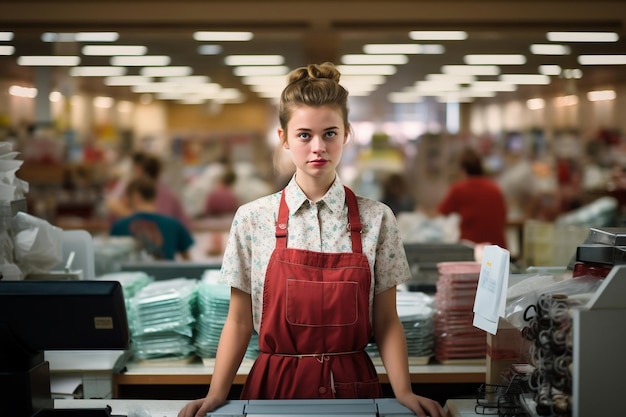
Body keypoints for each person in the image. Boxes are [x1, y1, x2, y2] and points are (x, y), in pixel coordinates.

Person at [178, 63, 445, 417]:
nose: (318, 147)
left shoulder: (377, 218)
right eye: (304, 135)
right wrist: (215, 394)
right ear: (284, 138)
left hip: (354, 388)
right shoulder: (252, 219)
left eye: (330, 133)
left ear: (347, 134)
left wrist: (404, 392)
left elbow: (386, 320)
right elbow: (239, 321)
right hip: (274, 387)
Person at [437, 147, 507, 248]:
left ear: (463, 170)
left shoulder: (459, 189)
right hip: (498, 249)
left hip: (471, 248)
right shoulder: (495, 188)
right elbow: (503, 217)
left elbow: (440, 214)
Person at [110, 176, 194, 260]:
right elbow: (188, 261)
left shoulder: (119, 226)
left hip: (129, 273)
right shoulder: (174, 224)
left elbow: (111, 258)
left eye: (127, 196)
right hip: (166, 273)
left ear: (136, 196)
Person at [105, 151, 192, 228]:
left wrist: (132, 217)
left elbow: (112, 209)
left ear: (138, 170)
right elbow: (185, 225)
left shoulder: (131, 192)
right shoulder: (170, 196)